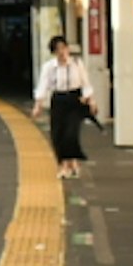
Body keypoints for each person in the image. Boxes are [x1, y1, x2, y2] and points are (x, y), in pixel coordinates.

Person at [35, 35, 91, 174]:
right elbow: (43, 85)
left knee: (71, 132)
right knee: (57, 133)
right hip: (58, 99)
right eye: (57, 49)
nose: (61, 52)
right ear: (53, 52)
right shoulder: (49, 67)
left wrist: (88, 98)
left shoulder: (77, 63)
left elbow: (85, 83)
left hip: (74, 98)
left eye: (63, 48)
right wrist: (38, 104)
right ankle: (64, 163)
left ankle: (72, 161)